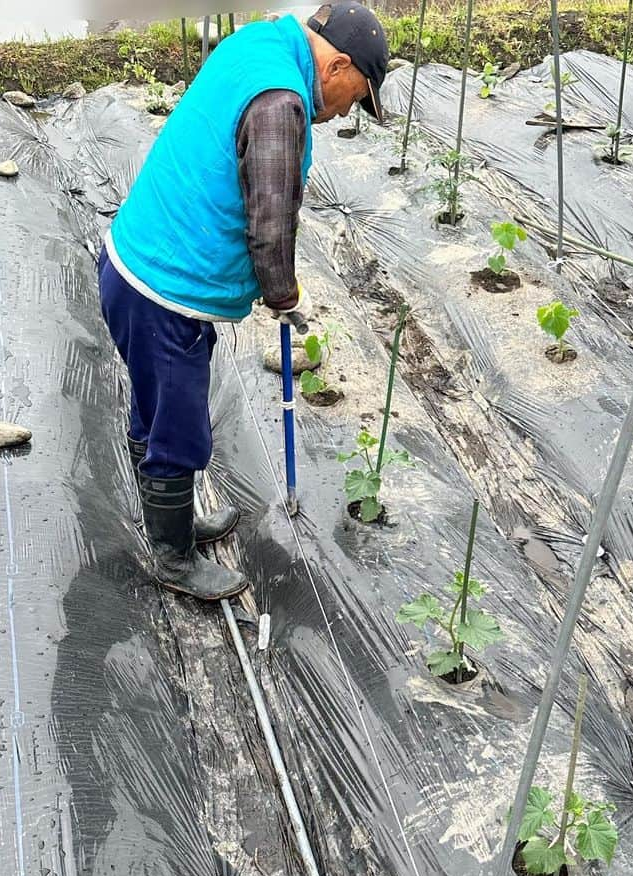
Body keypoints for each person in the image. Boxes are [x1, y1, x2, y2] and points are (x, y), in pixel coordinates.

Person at [98, 4, 389, 601]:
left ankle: (171, 522)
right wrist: (283, 294)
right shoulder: (281, 101)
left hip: (142, 264)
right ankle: (173, 557)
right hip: (164, 289)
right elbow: (271, 219)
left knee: (157, 408)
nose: (341, 113)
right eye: (354, 96)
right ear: (336, 64)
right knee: (177, 428)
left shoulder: (261, 41)